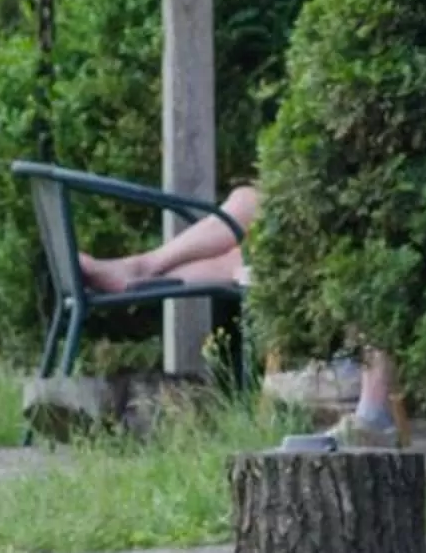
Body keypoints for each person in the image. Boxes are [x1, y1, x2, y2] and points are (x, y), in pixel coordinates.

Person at [76, 183, 402, 443]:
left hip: (350, 253)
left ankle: (142, 268)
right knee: (241, 246)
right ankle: (141, 270)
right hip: (338, 248)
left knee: (248, 205)